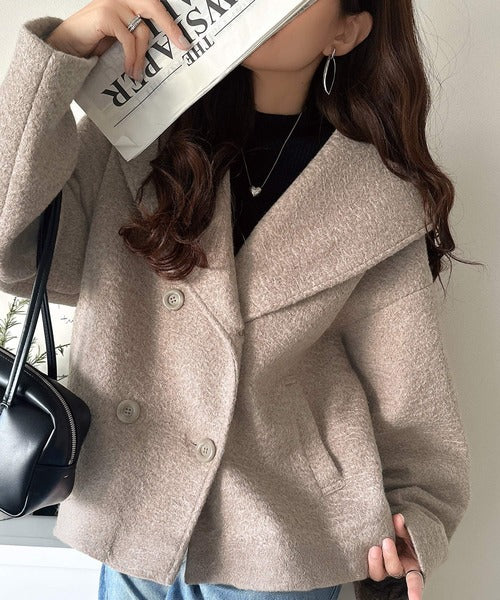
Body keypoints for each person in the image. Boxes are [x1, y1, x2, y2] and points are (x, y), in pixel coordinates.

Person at [0, 1, 472, 599]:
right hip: (133, 517)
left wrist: (417, 518)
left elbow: (409, 389)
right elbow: (11, 247)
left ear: (345, 31)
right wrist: (62, 55)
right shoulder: (132, 140)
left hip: (284, 542)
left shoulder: (375, 197)